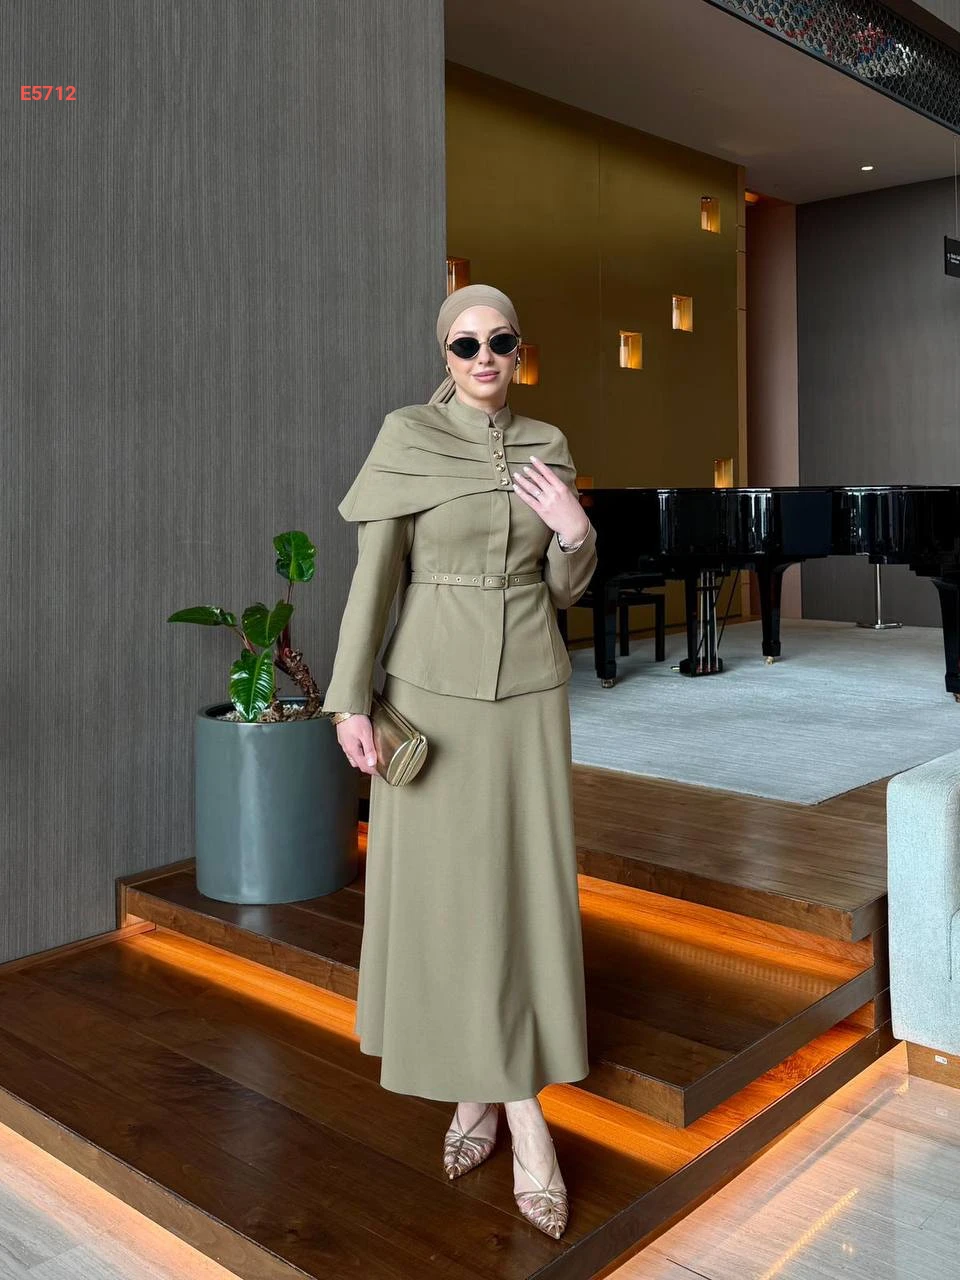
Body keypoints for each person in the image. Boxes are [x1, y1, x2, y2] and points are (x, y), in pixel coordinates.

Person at [322, 283, 598, 1239]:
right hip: (429, 694)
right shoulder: (407, 437)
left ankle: (483, 1096)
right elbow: (375, 579)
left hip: (529, 696)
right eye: (465, 343)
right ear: (444, 354)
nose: (485, 358)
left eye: (500, 341)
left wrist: (575, 531)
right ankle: (523, 1115)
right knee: (449, 901)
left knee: (517, 894)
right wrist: (349, 699)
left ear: (520, 350)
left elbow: (563, 587)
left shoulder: (549, 442)